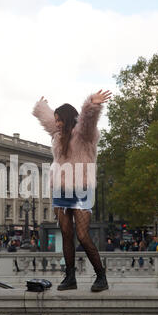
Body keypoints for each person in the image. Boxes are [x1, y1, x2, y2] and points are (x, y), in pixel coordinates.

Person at [32, 90, 112, 292]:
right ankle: (70, 277)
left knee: (83, 235)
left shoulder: (84, 134)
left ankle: (101, 276)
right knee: (66, 234)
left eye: (60, 120)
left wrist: (92, 106)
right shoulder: (59, 135)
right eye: (56, 120)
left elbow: (87, 120)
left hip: (81, 188)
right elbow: (48, 120)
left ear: (68, 119)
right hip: (60, 189)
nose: (57, 123)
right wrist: (42, 108)